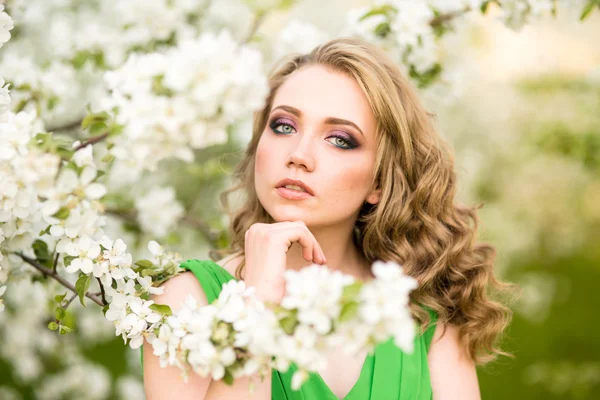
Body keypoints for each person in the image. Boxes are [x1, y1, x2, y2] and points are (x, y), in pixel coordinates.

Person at [143, 37, 516, 399]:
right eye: (284, 126)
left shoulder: (423, 311)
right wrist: (255, 309)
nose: (299, 154)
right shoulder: (185, 302)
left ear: (380, 182)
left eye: (339, 139)